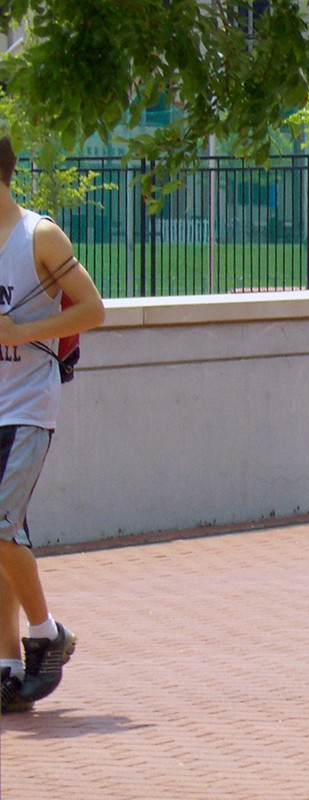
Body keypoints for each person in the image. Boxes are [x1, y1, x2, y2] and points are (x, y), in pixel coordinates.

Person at [0, 134, 105, 713]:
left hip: (26, 409)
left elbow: (94, 308)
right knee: (4, 539)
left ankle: (47, 634)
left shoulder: (38, 236)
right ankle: (9, 664)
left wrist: (17, 332)